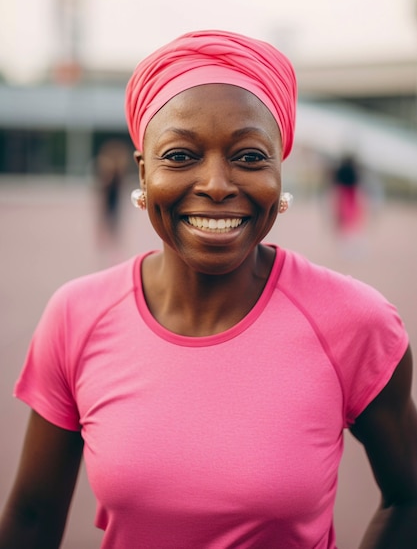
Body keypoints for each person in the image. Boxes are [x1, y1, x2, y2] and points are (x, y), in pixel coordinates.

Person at [0, 30, 416, 549]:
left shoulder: (356, 322)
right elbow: (32, 517)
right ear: (143, 171)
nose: (217, 185)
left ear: (280, 171)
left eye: (248, 157)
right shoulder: (77, 316)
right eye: (179, 156)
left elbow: (409, 498)